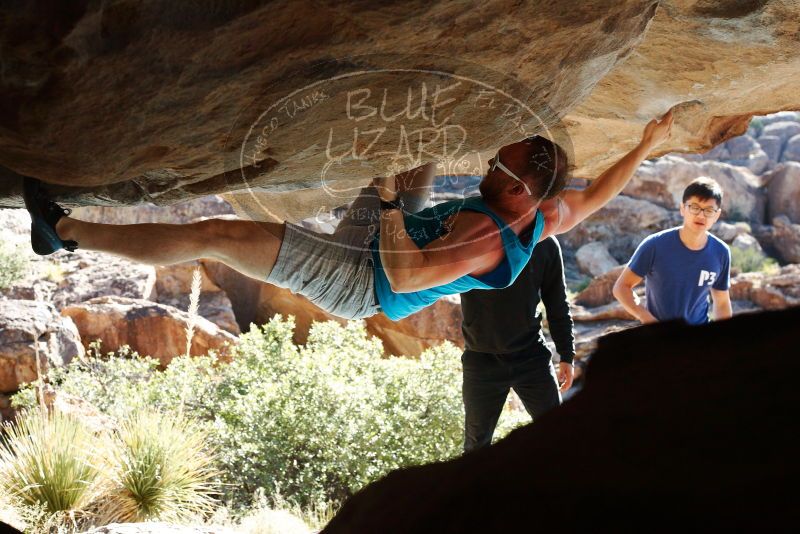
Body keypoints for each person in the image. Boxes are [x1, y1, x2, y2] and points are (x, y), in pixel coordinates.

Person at [23, 111, 673, 322]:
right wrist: (645, 143)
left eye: (495, 166)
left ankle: (64, 232)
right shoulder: (545, 208)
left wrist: (388, 200)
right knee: (419, 150)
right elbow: (597, 196)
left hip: (366, 282)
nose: (486, 166)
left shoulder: (484, 237)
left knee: (217, 235)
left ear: (516, 191)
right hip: (384, 246)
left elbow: (412, 276)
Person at [460, 235, 574, 452]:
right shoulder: (474, 235)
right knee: (476, 445)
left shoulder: (545, 242)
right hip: (482, 361)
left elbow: (557, 301)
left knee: (558, 434)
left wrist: (566, 354)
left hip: (531, 357)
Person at [612, 177, 733, 325]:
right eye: (694, 207)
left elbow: (721, 302)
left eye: (708, 210)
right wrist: (648, 320)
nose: (701, 215)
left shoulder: (720, 252)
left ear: (717, 215)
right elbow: (621, 287)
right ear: (682, 208)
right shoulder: (655, 245)